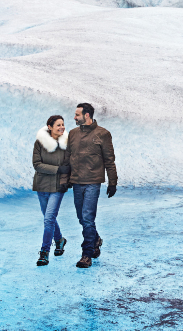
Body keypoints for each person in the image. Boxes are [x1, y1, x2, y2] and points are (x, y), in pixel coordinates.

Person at [61, 102, 117, 269]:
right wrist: (65, 180)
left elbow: (109, 160)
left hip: (93, 182)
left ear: (86, 115)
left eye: (77, 114)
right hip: (77, 182)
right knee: (81, 218)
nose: (74, 117)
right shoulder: (72, 134)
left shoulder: (103, 134)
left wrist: (112, 181)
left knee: (87, 217)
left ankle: (87, 254)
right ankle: (96, 239)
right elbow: (67, 158)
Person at [32, 114, 71, 266]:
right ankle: (60, 240)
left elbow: (70, 165)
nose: (62, 127)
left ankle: (44, 252)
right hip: (41, 185)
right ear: (50, 127)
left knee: (48, 219)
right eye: (58, 125)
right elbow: (37, 164)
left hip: (57, 187)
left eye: (63, 124)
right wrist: (57, 169)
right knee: (50, 218)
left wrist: (67, 179)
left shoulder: (66, 144)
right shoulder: (39, 142)